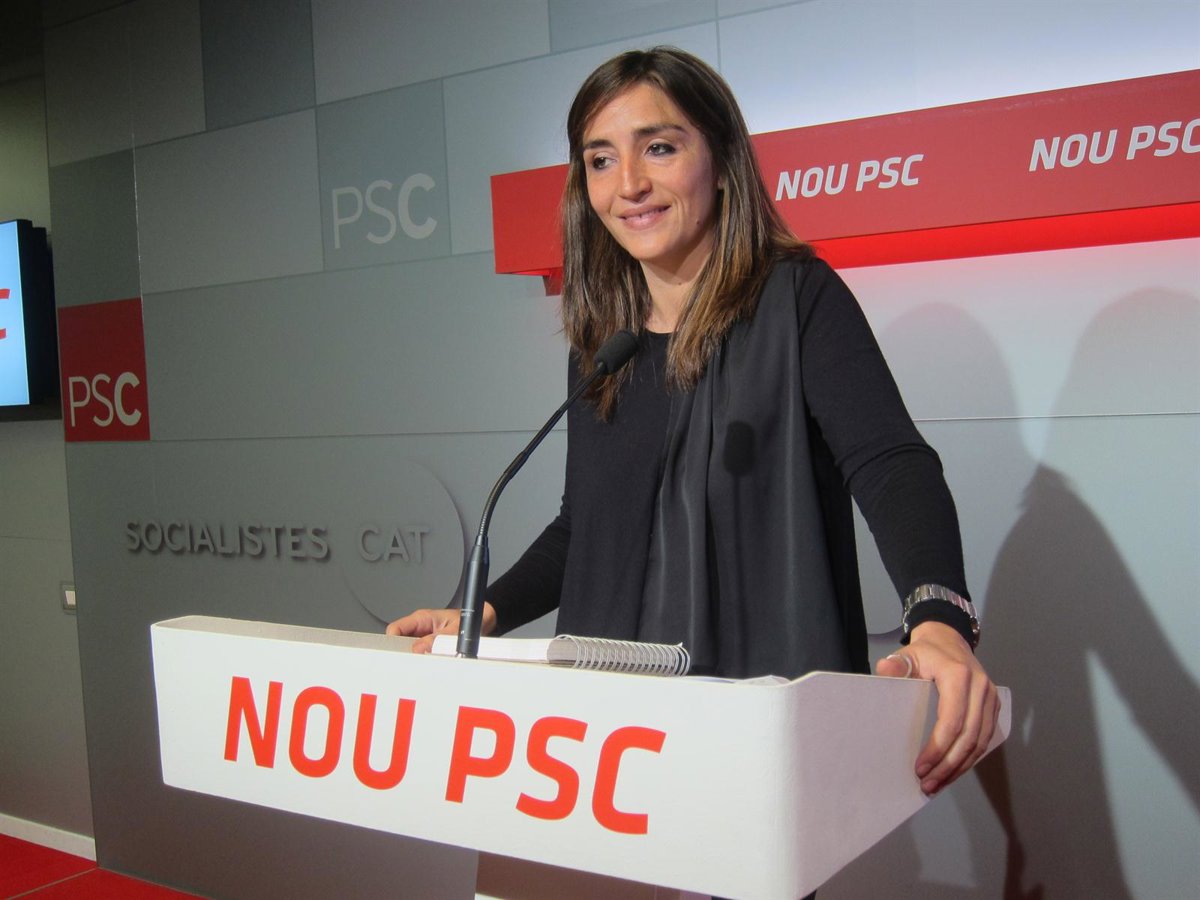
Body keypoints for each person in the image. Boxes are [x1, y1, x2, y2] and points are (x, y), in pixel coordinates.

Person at [388, 46, 999, 797]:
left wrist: (938, 619)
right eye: (601, 160)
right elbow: (586, 525)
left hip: (758, 725)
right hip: (606, 735)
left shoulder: (798, 300)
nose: (629, 185)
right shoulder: (603, 341)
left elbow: (889, 463)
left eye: (659, 148)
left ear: (721, 159)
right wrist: (481, 613)